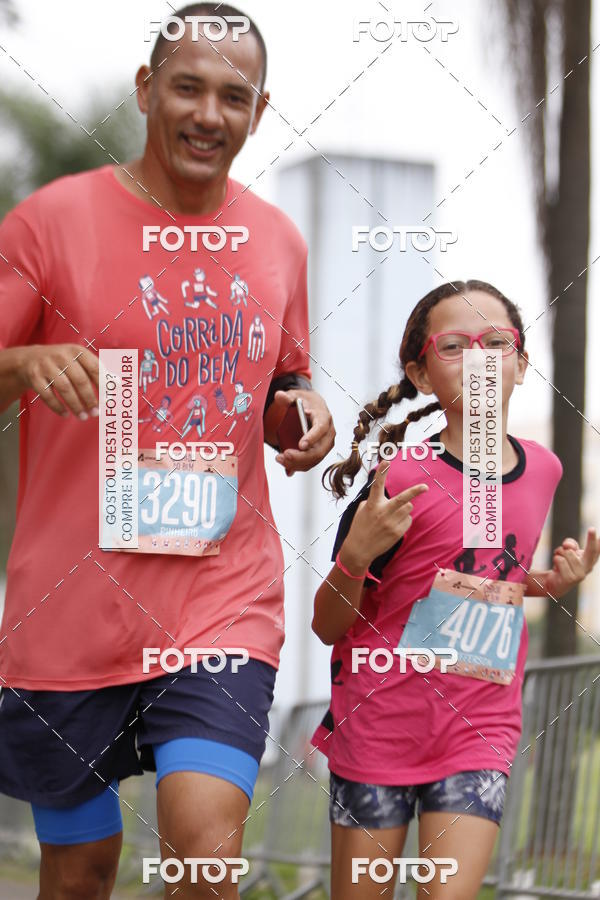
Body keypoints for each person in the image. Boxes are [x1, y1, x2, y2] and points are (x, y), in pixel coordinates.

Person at [0, 3, 335, 898]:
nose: (208, 112)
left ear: (260, 113)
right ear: (148, 90)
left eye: (235, 95)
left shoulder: (277, 244)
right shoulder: (49, 222)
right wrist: (23, 361)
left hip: (219, 597)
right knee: (79, 875)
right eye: (187, 86)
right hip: (71, 611)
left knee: (204, 848)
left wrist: (299, 414)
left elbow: (281, 382)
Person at [311, 280, 600, 899]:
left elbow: (482, 576)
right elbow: (327, 624)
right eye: (454, 345)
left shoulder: (544, 468)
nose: (479, 359)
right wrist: (357, 554)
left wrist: (545, 585)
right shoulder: (400, 477)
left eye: (497, 343)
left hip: (480, 729)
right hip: (380, 723)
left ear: (521, 366)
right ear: (419, 372)